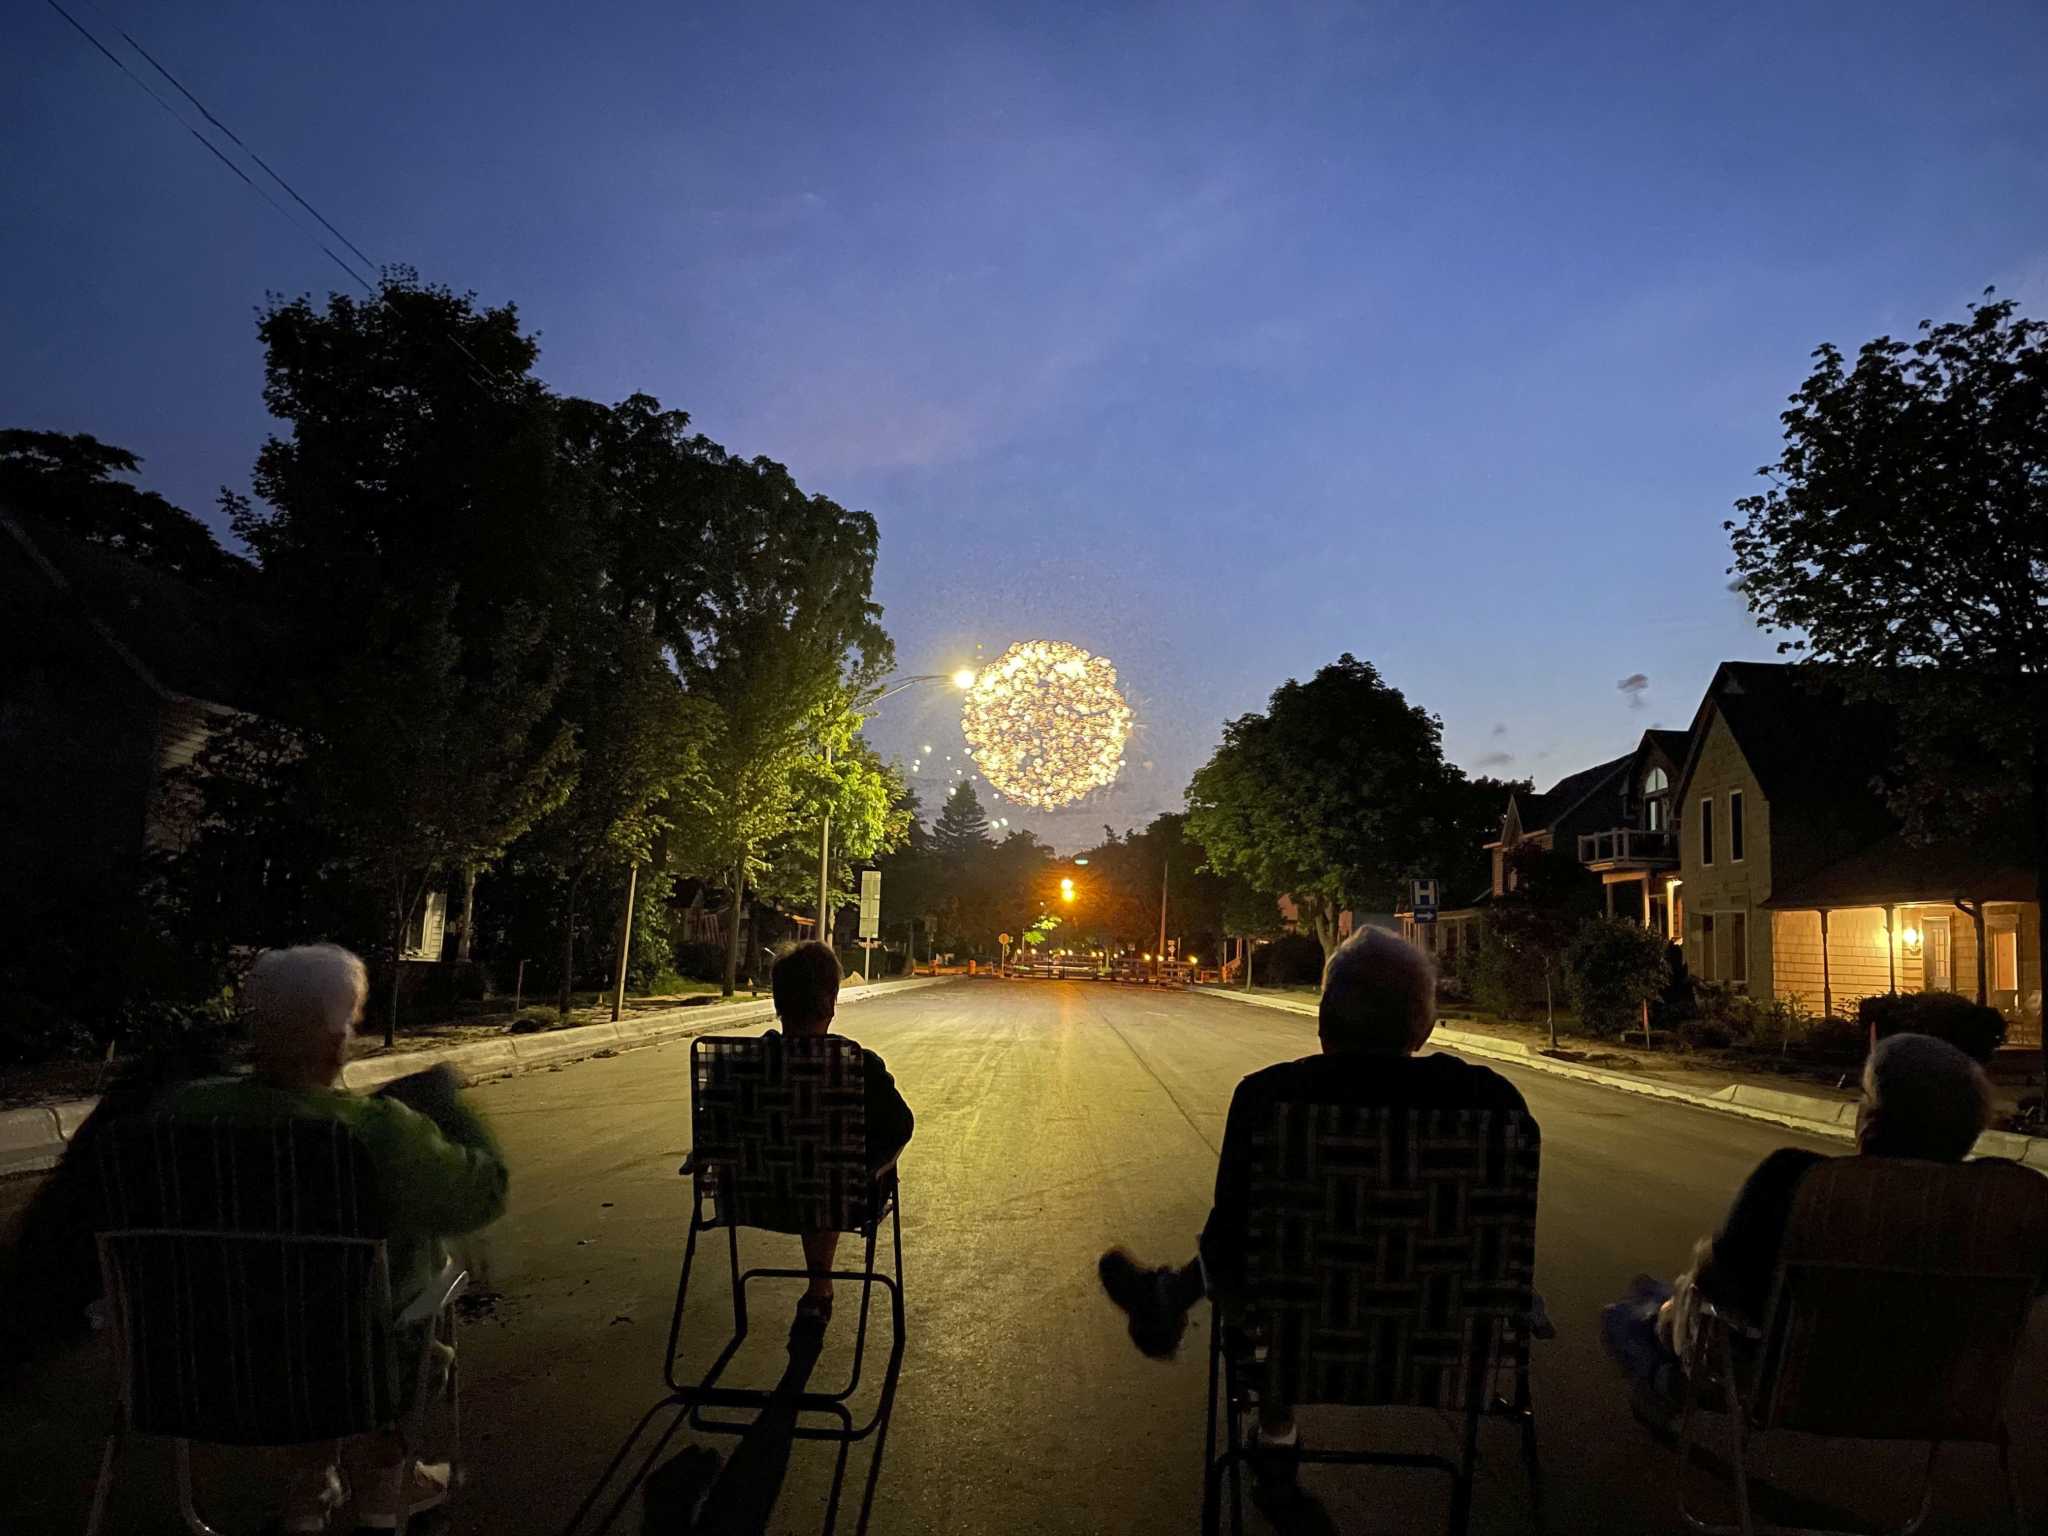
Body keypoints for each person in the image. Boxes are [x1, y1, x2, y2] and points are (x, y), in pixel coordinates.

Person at [1097, 928, 1538, 1487]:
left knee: (1276, 1270)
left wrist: (1193, 1285)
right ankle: (1173, 1304)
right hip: (1446, 1346)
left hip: (1299, 1337)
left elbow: (1230, 1245)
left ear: (1325, 1020)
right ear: (1424, 1025)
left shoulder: (1270, 1099)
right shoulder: (1493, 1103)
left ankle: (1266, 1420)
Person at [163, 944, 510, 1532]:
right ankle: (385, 1478)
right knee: (413, 1284)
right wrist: (447, 1103)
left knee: (292, 1290)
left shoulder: (180, 1114)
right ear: (333, 1037)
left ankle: (310, 1481)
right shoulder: (374, 1132)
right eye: (351, 1022)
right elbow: (481, 1194)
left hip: (201, 1363)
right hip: (351, 1374)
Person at [1603, 1030, 1995, 1431]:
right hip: (1934, 1390)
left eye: (1864, 1096)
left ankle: (1660, 1373)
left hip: (1786, 1378)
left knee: (1638, 1313)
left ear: (1874, 1117)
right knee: (1659, 1299)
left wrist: (1685, 1292)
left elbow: (1723, 1283)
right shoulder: (1999, 1209)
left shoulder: (1798, 1179)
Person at [759, 941, 914, 1337]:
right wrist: (875, 1166)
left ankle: (819, 1288)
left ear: (777, 1002)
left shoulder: (745, 1064)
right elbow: (900, 1127)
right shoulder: (857, 1064)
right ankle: (818, 1288)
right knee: (832, 1167)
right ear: (830, 1003)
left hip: (755, 1195)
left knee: (814, 1162)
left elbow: (713, 1125)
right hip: (842, 1196)